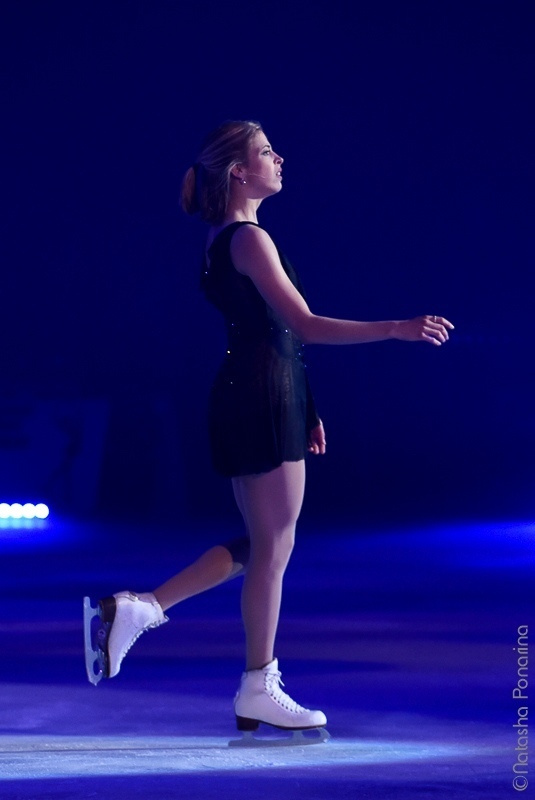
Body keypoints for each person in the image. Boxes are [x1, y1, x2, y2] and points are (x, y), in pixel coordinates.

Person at [84, 120, 453, 736]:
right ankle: (257, 682)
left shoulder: (225, 237)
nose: (279, 158)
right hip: (259, 396)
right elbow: (301, 325)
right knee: (273, 550)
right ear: (239, 171)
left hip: (257, 394)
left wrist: (304, 405)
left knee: (263, 546)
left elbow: (273, 335)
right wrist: (396, 326)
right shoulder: (248, 239)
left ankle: (143, 608)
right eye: (265, 152)